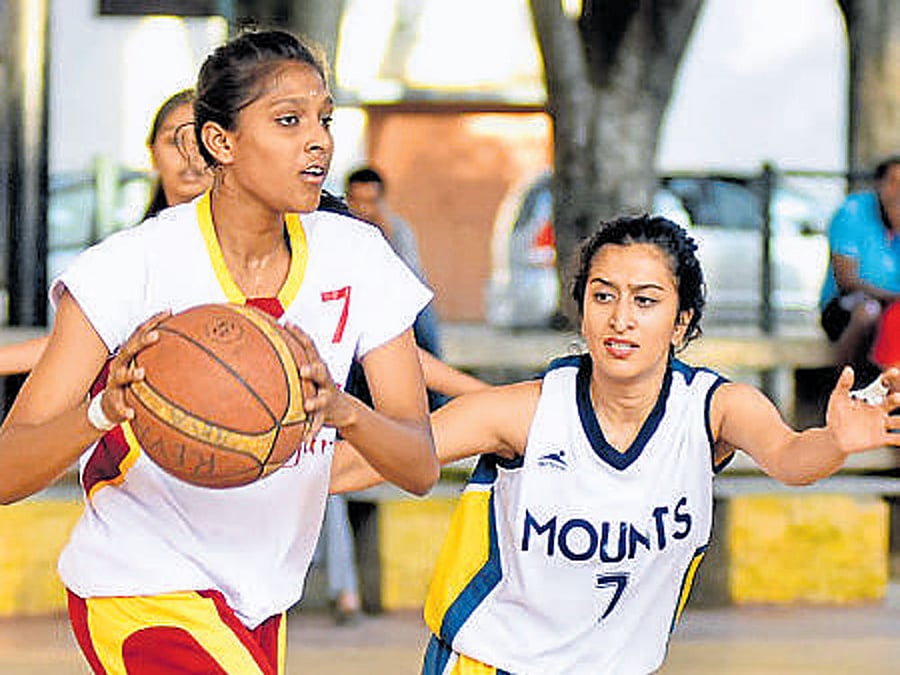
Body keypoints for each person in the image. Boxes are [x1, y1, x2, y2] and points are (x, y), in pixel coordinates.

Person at [0, 29, 438, 675]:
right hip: (139, 587)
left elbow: (419, 465)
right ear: (220, 141)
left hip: (261, 601)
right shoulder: (132, 265)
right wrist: (103, 410)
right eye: (288, 120)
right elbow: (8, 471)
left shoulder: (358, 256)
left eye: (324, 119)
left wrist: (344, 410)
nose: (318, 139)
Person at [332, 213, 900, 674]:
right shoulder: (524, 412)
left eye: (646, 301)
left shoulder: (714, 409)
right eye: (603, 297)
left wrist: (835, 442)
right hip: (493, 663)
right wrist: (279, 454)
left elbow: (789, 458)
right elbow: (379, 460)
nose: (621, 318)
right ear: (582, 312)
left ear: (682, 322)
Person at [0, 88, 212, 377]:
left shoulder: (255, 248)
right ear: (152, 153)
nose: (190, 156)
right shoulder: (126, 255)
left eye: (202, 141)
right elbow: (77, 346)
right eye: (175, 140)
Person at [344, 166, 443, 365]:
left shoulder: (397, 229)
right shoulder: (340, 227)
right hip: (351, 298)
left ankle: (436, 384)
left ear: (381, 200)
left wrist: (385, 234)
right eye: (357, 201)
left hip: (388, 298)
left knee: (422, 309)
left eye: (370, 201)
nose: (363, 209)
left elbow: (410, 277)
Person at [819, 155, 900, 379]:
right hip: (846, 307)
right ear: (879, 184)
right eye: (893, 182)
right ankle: (842, 385)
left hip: (894, 310)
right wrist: (893, 296)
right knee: (868, 312)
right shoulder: (853, 212)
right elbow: (846, 280)